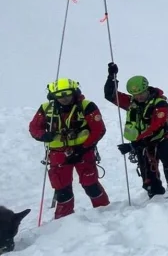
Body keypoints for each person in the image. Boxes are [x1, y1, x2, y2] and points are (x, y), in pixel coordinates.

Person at [28, 79, 110, 219]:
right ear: (53, 96)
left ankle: (106, 213)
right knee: (62, 189)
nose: (64, 98)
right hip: (58, 154)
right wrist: (44, 135)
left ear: (74, 92)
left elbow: (99, 129)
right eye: (60, 95)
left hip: (84, 151)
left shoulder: (87, 106)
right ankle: (63, 220)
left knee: (91, 185)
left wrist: (82, 148)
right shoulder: (46, 108)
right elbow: (34, 128)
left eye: (67, 94)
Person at [105, 63, 168, 198]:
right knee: (148, 176)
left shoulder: (159, 103)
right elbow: (110, 95)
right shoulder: (131, 103)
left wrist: (133, 145)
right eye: (135, 94)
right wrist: (112, 77)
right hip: (142, 143)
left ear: (147, 89)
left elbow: (156, 126)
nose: (139, 96)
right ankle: (155, 194)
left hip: (161, 137)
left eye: (141, 93)